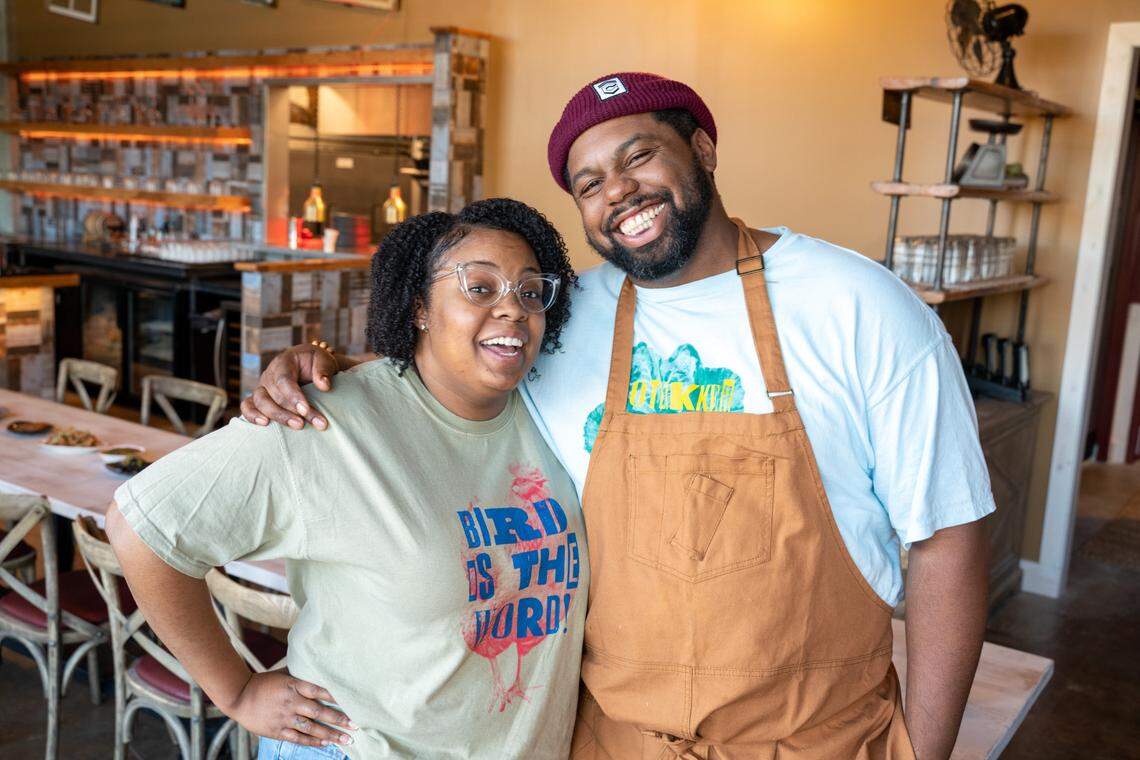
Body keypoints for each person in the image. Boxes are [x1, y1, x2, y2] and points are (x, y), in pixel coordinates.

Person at [244, 73, 993, 760]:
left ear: (702, 149)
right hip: (610, 742)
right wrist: (325, 366)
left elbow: (949, 538)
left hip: (816, 741)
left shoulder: (857, 305)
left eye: (639, 157)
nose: (619, 192)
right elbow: (456, 360)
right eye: (590, 182)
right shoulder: (563, 317)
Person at [106, 198, 588, 760]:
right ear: (419, 308)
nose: (513, 309)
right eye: (479, 288)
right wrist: (235, 689)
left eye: (530, 292)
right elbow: (139, 527)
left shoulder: (551, 413)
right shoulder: (322, 422)